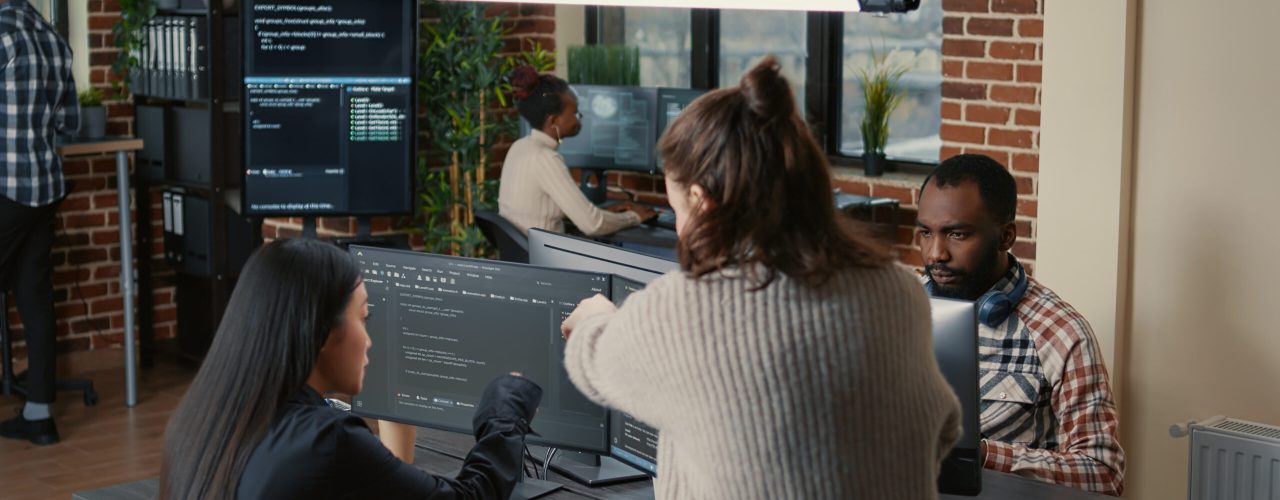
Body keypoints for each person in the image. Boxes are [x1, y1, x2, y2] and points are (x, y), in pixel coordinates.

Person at [558, 57, 961, 499]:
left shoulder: (685, 309)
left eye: (677, 210)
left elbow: (593, 360)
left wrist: (596, 317)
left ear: (701, 199)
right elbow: (942, 431)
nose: (678, 226)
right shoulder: (898, 288)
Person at [160, 239, 543, 499]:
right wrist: (503, 411)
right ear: (324, 332)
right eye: (364, 316)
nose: (371, 338)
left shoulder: (204, 417)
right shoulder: (328, 440)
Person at [915, 154, 1126, 495]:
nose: (935, 253)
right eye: (925, 232)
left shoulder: (1062, 332)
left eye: (956, 234)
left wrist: (981, 454)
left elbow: (1104, 475)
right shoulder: (901, 308)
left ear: (1006, 236)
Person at [0, 0, 79, 446]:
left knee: (32, 293)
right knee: (34, 295)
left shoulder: (2, 34)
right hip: (44, 187)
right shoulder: (53, 39)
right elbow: (69, 122)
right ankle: (39, 416)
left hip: (6, 187)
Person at [497, 66, 654, 236]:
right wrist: (633, 217)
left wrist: (604, 213)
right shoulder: (546, 158)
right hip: (545, 260)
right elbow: (592, 225)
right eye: (575, 113)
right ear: (554, 120)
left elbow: (539, 209)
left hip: (525, 258)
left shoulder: (519, 147)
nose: (579, 118)